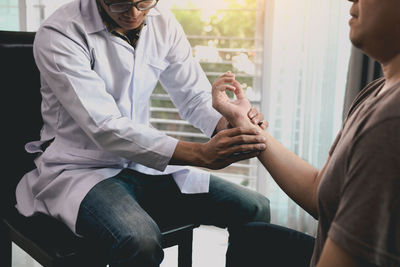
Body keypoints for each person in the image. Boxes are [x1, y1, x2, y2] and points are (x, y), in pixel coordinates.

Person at [15, 0, 271, 266]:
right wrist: (200, 154)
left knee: (255, 207)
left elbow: (193, 96)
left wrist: (230, 123)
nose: (134, 13)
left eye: (143, 2)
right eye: (120, 4)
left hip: (143, 163)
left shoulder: (163, 22)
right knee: (139, 240)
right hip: (81, 169)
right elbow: (104, 126)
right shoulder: (60, 33)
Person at [212, 0, 400, 266]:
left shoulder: (391, 122)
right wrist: (246, 124)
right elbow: (319, 193)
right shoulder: (375, 94)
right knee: (253, 239)